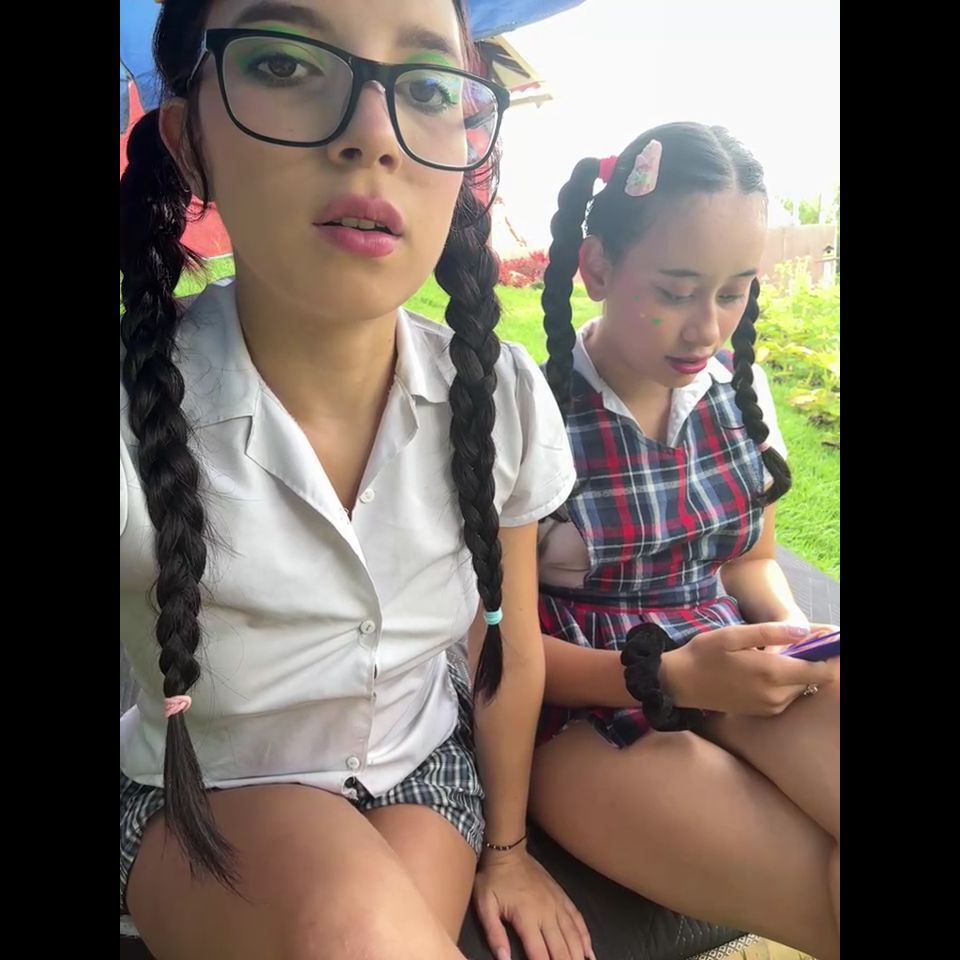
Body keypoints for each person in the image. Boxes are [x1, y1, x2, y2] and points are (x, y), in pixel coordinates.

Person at [119, 3, 591, 957]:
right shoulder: (137, 413)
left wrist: (506, 850)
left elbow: (506, 649)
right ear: (191, 143)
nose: (374, 134)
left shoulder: (498, 393)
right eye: (285, 65)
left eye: (428, 87)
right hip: (197, 790)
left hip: (423, 775)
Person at [530, 122, 840, 960]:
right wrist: (672, 674)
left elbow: (750, 559)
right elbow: (491, 646)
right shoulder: (529, 414)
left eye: (734, 293)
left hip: (729, 656)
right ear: (597, 269)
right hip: (583, 703)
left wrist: (792, 636)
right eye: (675, 291)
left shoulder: (740, 392)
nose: (708, 328)